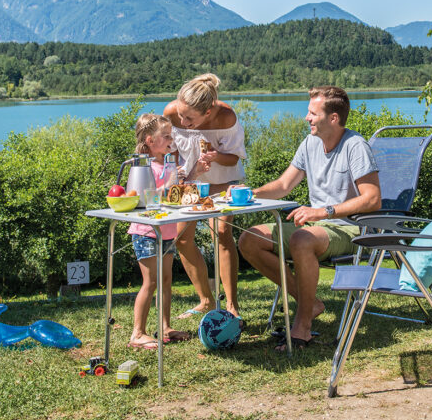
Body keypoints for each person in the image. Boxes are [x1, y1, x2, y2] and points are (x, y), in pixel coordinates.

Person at [239, 86, 380, 348]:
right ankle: (311, 304)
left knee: (302, 239)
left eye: (312, 113)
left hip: (350, 229)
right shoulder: (310, 143)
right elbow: (283, 185)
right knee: (249, 239)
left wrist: (323, 211)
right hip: (317, 227)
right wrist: (249, 193)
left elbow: (372, 199)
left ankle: (302, 327)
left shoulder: (355, 146)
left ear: (333, 118)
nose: (307, 118)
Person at [164, 73, 249, 319]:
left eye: (189, 117)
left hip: (223, 181)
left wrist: (214, 155)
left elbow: (234, 157)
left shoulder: (226, 116)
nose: (182, 120)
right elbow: (170, 149)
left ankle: (231, 305)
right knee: (181, 239)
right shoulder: (171, 112)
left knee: (222, 234)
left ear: (208, 111)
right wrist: (176, 175)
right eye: (180, 114)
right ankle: (206, 300)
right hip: (190, 182)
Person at [126, 113, 206, 349]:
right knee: (150, 282)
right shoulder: (143, 166)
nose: (172, 139)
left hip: (167, 232)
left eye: (172, 135)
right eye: (167, 136)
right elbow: (150, 197)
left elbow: (176, 197)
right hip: (146, 231)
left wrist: (194, 174)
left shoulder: (169, 163)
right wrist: (173, 183)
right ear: (150, 140)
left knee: (166, 281)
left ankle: (165, 327)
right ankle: (137, 333)